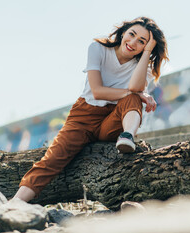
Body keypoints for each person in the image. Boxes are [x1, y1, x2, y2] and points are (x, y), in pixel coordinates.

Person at [13, 16, 169, 202]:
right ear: (124, 32)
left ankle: (128, 136)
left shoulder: (144, 68)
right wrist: (134, 93)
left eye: (142, 42)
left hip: (113, 120)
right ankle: (16, 202)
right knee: (52, 159)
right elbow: (97, 91)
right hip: (83, 117)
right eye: (132, 34)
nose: (133, 42)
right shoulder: (98, 49)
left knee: (134, 97)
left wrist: (147, 54)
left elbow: (135, 89)